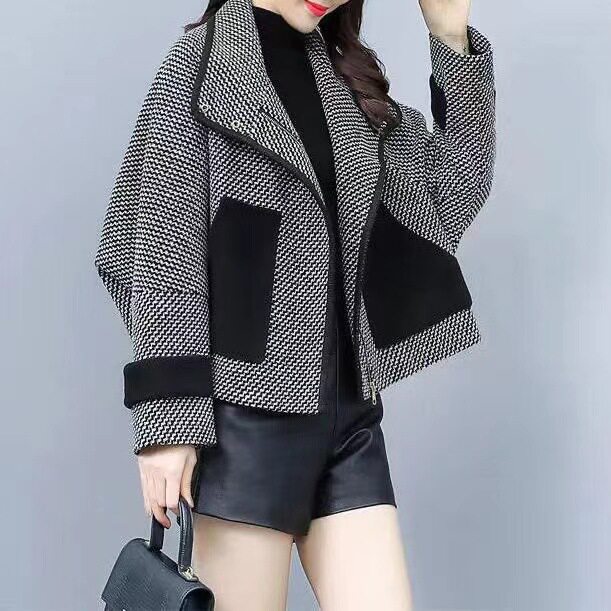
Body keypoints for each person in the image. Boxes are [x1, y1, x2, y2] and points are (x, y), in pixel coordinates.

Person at [94, 0, 495, 608]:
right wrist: (167, 419)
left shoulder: (342, 76)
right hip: (244, 426)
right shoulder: (201, 66)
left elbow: (450, 197)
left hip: (350, 420)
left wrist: (450, 36)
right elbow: (155, 247)